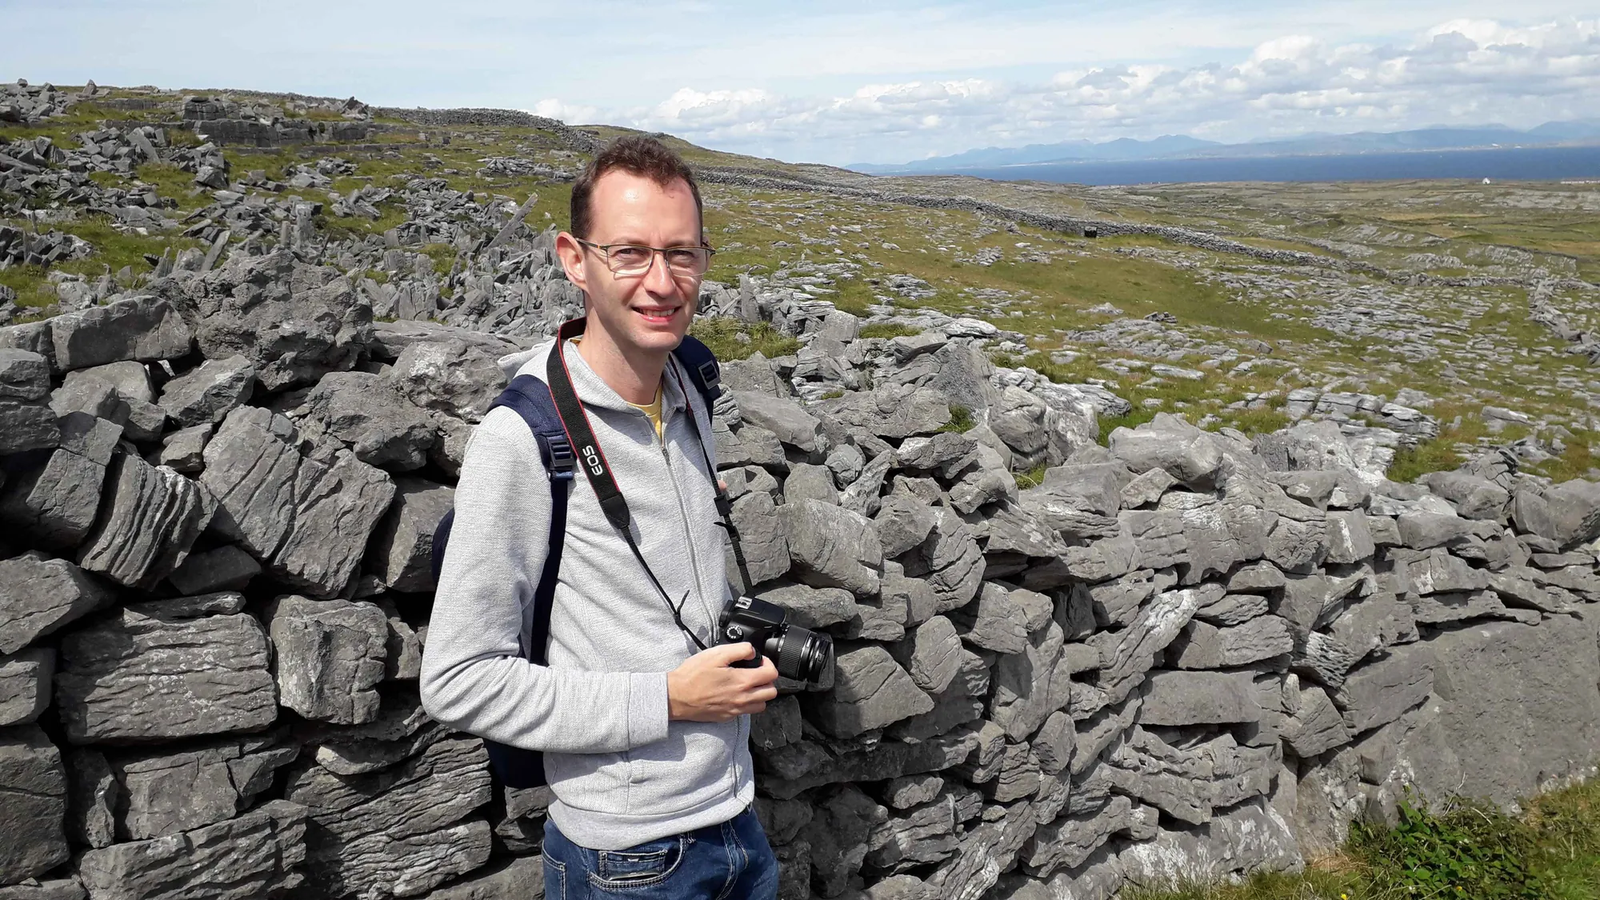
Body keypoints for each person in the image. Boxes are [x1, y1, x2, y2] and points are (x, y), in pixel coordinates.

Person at [420, 136, 782, 899]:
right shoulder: (522, 438)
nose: (662, 282)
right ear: (574, 260)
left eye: (682, 254)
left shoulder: (689, 386)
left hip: (738, 820)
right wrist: (669, 700)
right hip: (626, 862)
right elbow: (456, 682)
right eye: (630, 253)